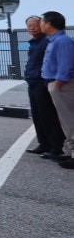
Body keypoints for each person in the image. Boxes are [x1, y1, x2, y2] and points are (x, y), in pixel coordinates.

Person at [23, 16, 65, 158]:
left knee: (48, 116)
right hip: (33, 82)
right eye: (29, 25)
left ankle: (55, 147)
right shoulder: (34, 42)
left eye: (35, 24)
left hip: (42, 82)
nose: (32, 28)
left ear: (42, 25)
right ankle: (44, 143)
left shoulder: (47, 41)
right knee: (38, 115)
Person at [39, 11, 74, 169]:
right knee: (65, 121)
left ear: (49, 24)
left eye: (41, 22)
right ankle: (69, 152)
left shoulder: (62, 40)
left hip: (64, 86)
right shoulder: (55, 40)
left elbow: (65, 64)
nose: (39, 25)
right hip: (56, 84)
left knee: (70, 120)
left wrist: (57, 83)